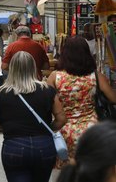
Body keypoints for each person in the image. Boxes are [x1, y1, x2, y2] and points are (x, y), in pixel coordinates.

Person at [0, 51, 66, 182]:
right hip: (43, 144)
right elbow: (62, 119)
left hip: (14, 145)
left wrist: (11, 127)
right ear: (33, 68)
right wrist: (47, 127)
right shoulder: (47, 90)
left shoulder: (1, 93)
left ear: (12, 68)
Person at [47, 36, 116, 169]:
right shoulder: (96, 76)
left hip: (65, 131)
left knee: (69, 171)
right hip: (92, 130)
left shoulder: (55, 77)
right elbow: (113, 99)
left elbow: (45, 101)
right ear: (87, 53)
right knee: (91, 170)